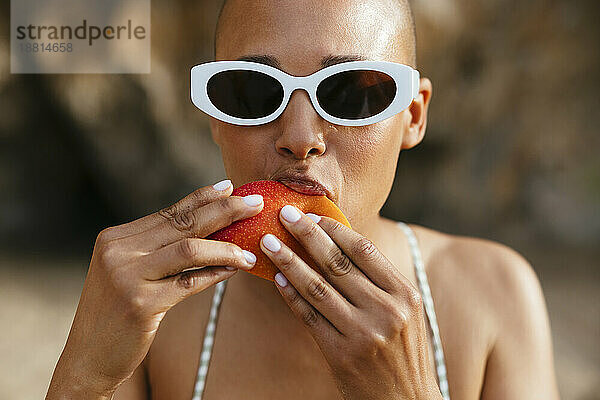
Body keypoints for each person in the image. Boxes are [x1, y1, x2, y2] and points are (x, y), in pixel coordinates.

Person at [46, 0, 561, 399]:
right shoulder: (150, 312)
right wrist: (81, 376)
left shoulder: (494, 297)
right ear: (214, 118)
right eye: (253, 91)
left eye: (352, 91)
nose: (300, 136)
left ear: (414, 116)